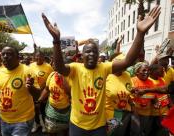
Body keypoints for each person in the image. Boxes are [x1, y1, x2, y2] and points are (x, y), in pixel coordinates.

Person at [42, 5, 161, 135]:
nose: (91, 54)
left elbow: (128, 61)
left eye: (94, 52)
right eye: (88, 52)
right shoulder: (75, 68)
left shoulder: (104, 67)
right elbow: (59, 67)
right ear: (82, 55)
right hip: (77, 125)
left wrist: (140, 33)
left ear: (99, 55)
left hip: (99, 127)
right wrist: (56, 41)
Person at [38, 71, 71, 136]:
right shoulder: (52, 75)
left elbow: (71, 93)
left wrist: (63, 80)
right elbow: (46, 89)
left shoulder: (71, 77)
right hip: (52, 109)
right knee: (51, 130)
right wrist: (40, 100)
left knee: (65, 130)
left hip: (66, 110)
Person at [29, 50, 53, 133]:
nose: (38, 58)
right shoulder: (31, 65)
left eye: (40, 56)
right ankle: (37, 124)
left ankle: (44, 125)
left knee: (43, 110)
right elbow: (28, 77)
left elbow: (51, 79)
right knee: (34, 109)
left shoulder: (48, 67)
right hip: (33, 91)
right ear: (35, 57)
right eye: (37, 56)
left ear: (44, 57)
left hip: (44, 92)